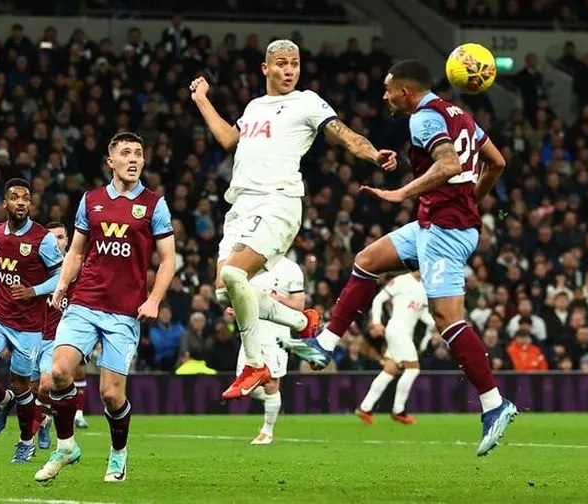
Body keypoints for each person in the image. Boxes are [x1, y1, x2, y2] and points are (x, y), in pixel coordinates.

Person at [281, 59, 517, 457]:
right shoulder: (459, 114)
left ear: (405, 92)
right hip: (435, 223)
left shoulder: (423, 118)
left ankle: (495, 404)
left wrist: (399, 194)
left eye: (388, 89)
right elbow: (497, 162)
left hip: (447, 233)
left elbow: (449, 164)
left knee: (447, 319)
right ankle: (325, 342)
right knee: (368, 259)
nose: (384, 95)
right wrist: (470, 201)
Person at [189, 39, 397, 401]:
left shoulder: (307, 102)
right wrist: (202, 101)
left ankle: (255, 363)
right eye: (282, 64)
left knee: (236, 275)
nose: (289, 71)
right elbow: (229, 140)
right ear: (265, 69)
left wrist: (373, 155)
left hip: (278, 201)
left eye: (295, 64)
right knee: (225, 290)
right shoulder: (254, 106)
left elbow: (344, 136)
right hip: (240, 207)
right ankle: (303, 322)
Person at [34, 132, 176, 483]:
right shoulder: (91, 200)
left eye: (139, 154)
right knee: (58, 373)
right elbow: (77, 252)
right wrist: (63, 285)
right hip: (85, 302)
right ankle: (66, 445)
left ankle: (118, 455)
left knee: (111, 395)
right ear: (110, 161)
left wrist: (154, 299)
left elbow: (169, 259)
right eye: (125, 153)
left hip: (125, 311)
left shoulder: (154, 204)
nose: (133, 158)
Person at [0, 178, 63, 463]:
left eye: (25, 198)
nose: (21, 202)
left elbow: (60, 277)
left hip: (29, 325)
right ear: (5, 203)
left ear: (30, 204)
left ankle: (25, 442)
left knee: (22, 384)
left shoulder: (43, 238)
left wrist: (34, 290)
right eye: (15, 197)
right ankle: (2, 400)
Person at [230, 256, 305, 444]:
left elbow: (299, 305)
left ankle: (267, 432)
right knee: (245, 386)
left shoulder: (291, 268)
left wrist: (274, 298)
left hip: (277, 331)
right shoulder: (251, 261)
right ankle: (275, 402)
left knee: (271, 382)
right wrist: (234, 307)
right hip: (251, 329)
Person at [356, 271, 434, 425]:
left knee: (390, 370)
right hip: (397, 331)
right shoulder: (401, 281)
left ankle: (365, 408)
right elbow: (378, 299)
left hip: (405, 333)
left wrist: (436, 323)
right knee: (413, 369)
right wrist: (377, 322)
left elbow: (422, 313)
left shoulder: (425, 287)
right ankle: (398, 410)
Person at [30, 221, 71, 451]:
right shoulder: (36, 269)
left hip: (58, 340)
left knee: (46, 385)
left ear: (67, 241)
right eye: (52, 237)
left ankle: (25, 442)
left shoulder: (76, 271)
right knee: (33, 389)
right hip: (33, 336)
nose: (57, 242)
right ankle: (45, 420)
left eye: (61, 237)